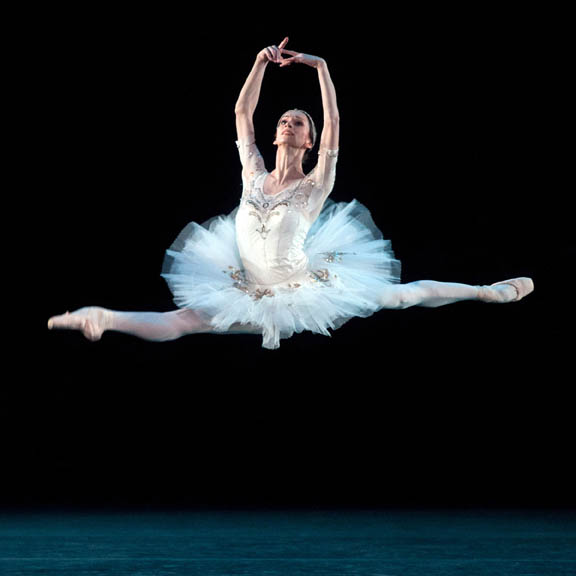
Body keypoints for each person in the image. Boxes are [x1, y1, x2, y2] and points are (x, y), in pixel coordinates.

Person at [48, 38, 534, 350]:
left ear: (308, 139)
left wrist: (320, 68)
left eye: (297, 122)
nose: (286, 123)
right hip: (249, 287)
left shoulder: (315, 184)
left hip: (304, 290)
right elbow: (241, 114)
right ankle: (103, 317)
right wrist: (260, 63)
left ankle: (489, 293)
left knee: (402, 298)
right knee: (185, 321)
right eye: (283, 120)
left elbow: (336, 124)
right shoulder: (253, 173)